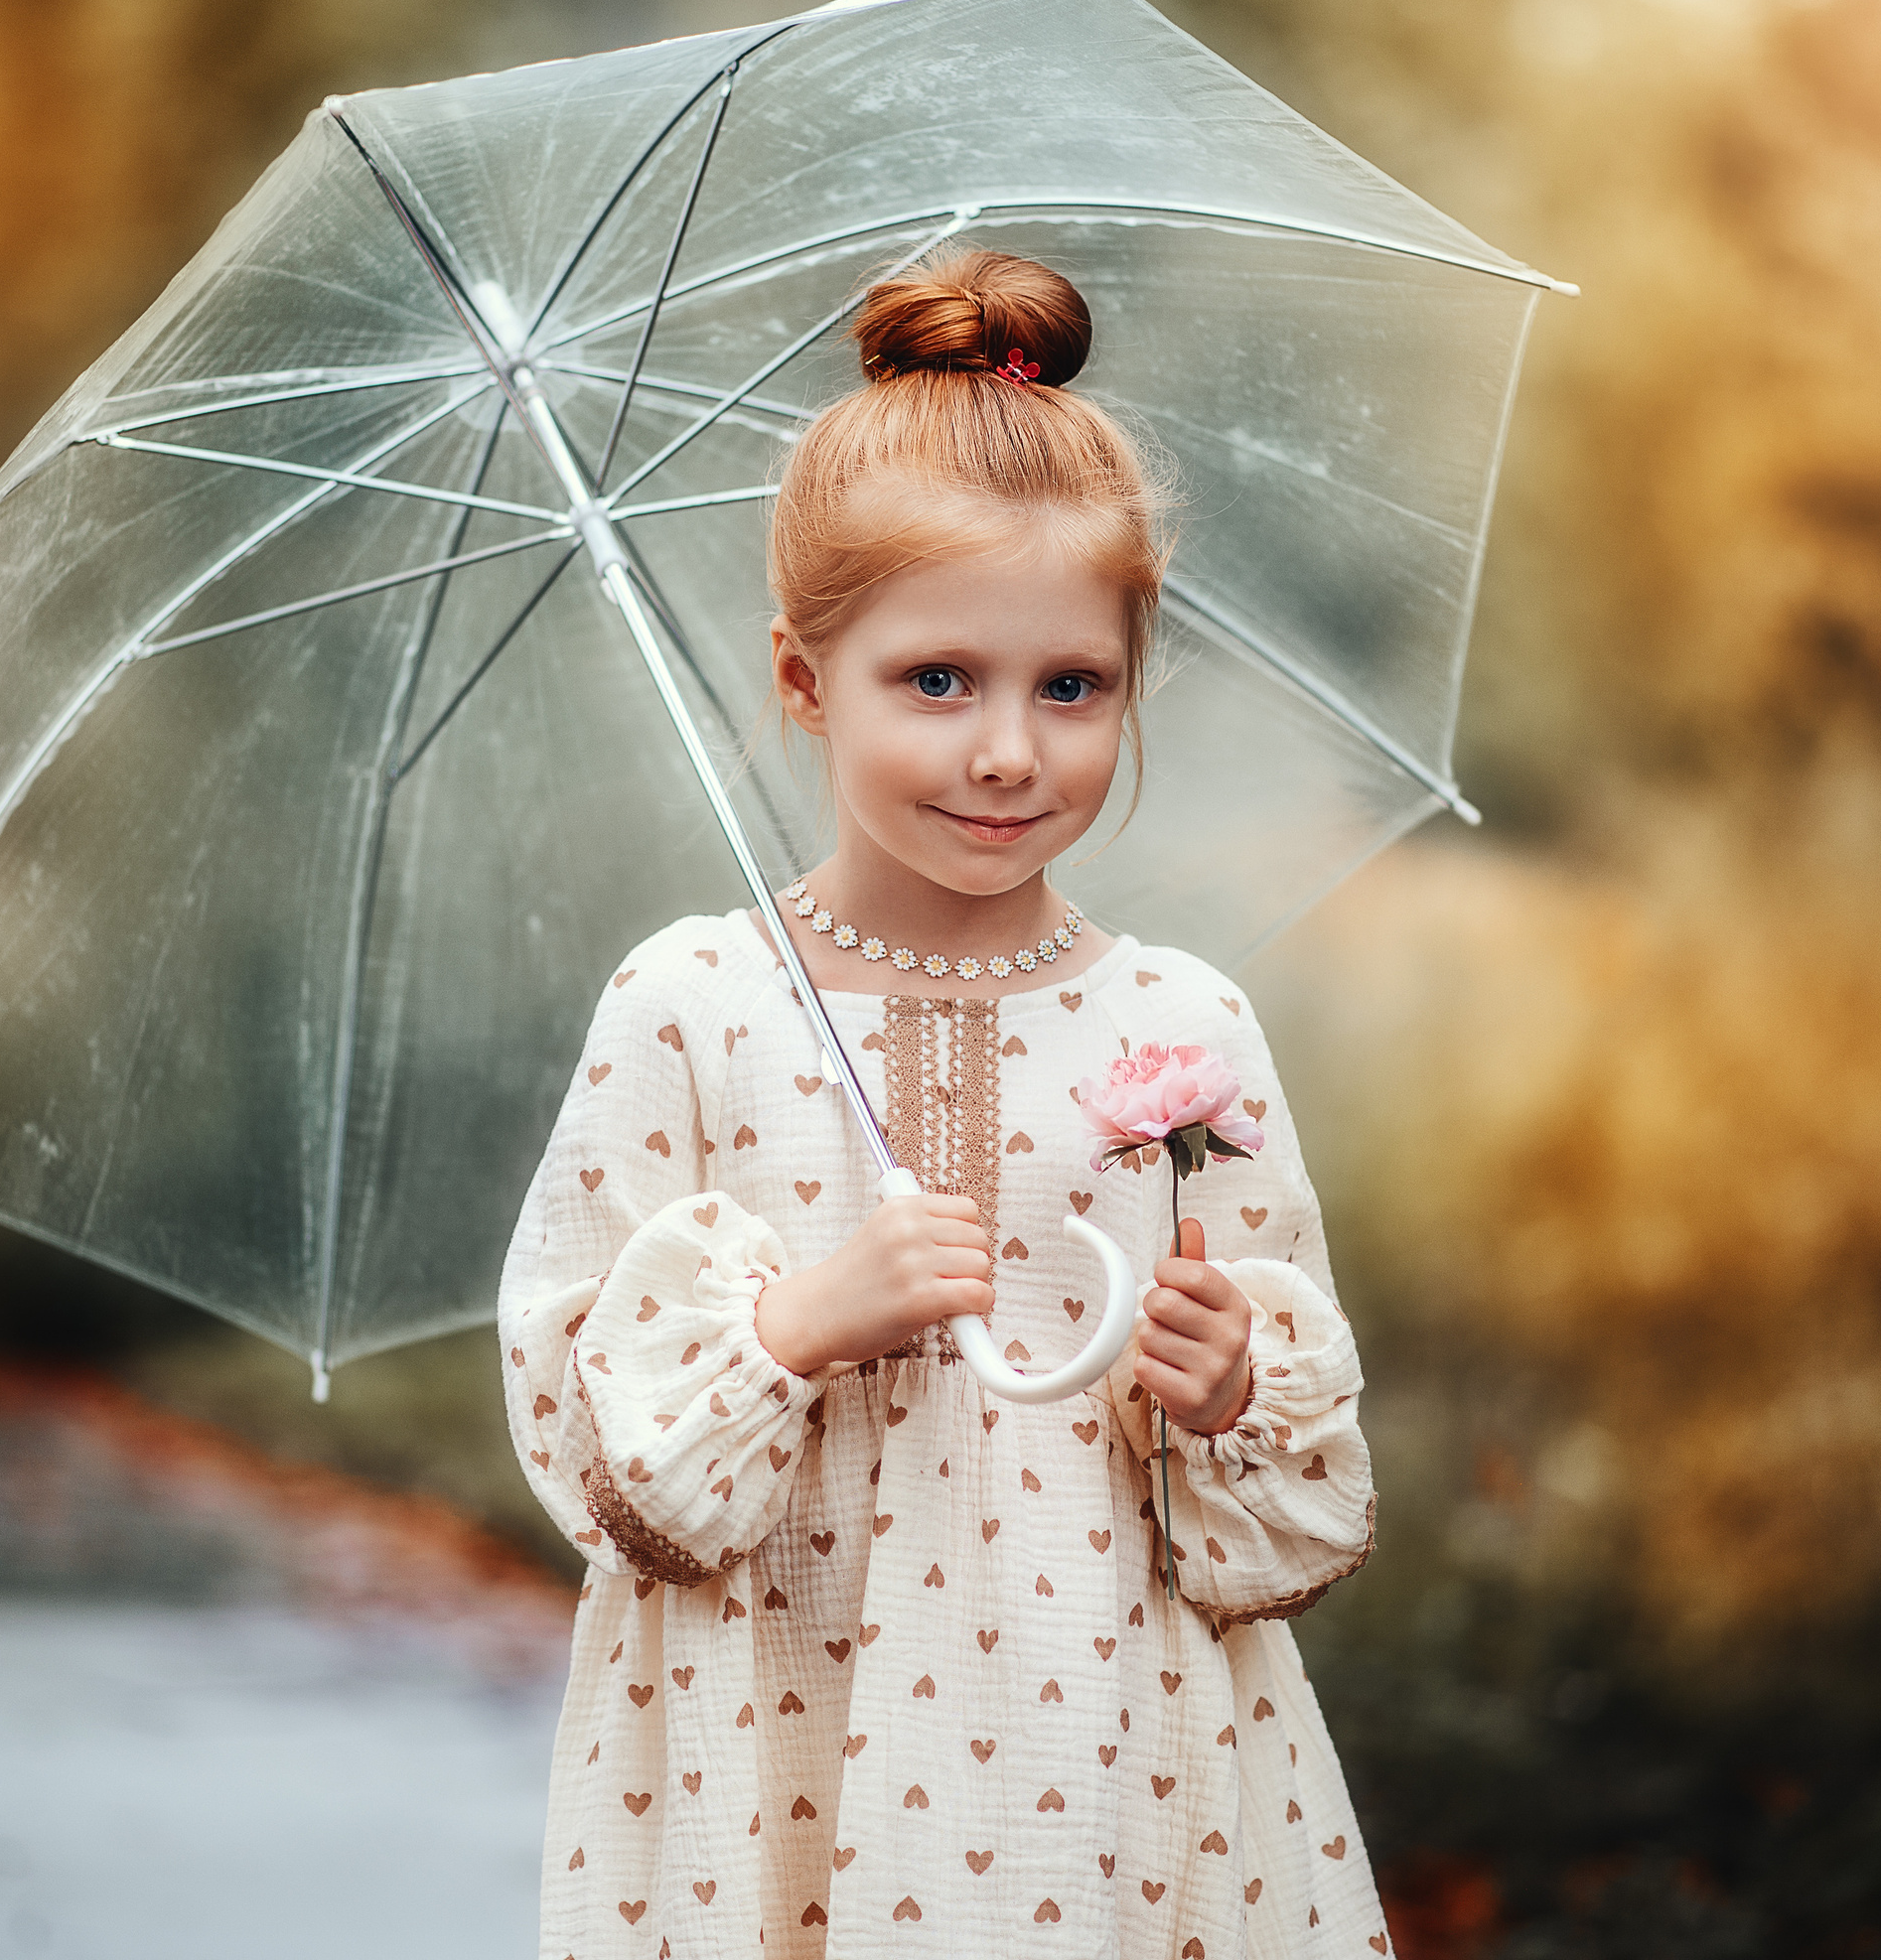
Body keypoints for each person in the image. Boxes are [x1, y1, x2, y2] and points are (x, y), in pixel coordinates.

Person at [499, 249, 1387, 1957]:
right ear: (799, 677)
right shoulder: (692, 1008)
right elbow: (590, 1439)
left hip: (1111, 1735)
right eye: (937, 682)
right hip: (782, 1743)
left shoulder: (1179, 1022)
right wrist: (794, 1324)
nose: (1008, 752)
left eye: (1073, 686)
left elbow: (1282, 1461)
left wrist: (1228, 1388)